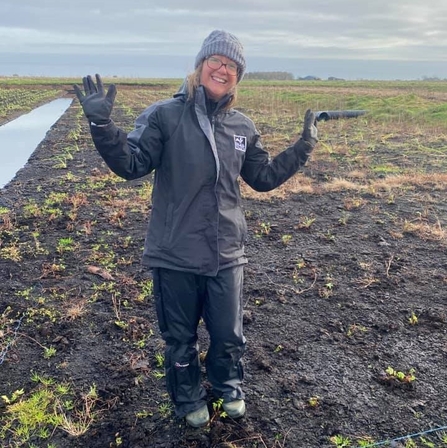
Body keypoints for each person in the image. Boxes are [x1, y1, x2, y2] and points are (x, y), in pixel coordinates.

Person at [74, 29, 318, 428]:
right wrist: (102, 126)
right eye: (217, 61)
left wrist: (302, 147)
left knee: (228, 334)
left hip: (226, 252)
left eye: (233, 66)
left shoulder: (242, 125)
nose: (223, 69)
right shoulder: (165, 116)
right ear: (201, 64)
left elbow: (264, 177)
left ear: (239, 75)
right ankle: (188, 397)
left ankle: (227, 385)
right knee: (181, 338)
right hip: (176, 252)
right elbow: (131, 165)